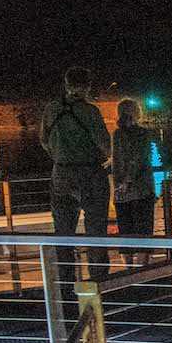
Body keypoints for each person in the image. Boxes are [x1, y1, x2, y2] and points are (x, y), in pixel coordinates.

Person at [39, 67, 111, 275]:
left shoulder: (51, 109)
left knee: (63, 231)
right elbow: (105, 145)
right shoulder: (90, 112)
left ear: (66, 84)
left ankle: (64, 280)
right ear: (87, 87)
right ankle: (98, 279)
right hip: (89, 173)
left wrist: (61, 154)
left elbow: (44, 141)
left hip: (61, 173)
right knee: (96, 229)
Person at [110, 99, 158, 245]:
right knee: (144, 233)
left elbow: (118, 159)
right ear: (137, 112)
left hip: (121, 193)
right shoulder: (143, 133)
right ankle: (143, 266)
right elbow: (139, 158)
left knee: (126, 234)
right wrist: (129, 180)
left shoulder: (116, 135)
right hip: (142, 189)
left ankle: (129, 266)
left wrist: (121, 183)